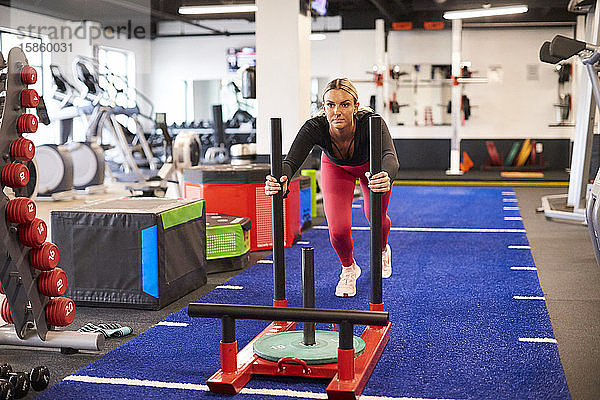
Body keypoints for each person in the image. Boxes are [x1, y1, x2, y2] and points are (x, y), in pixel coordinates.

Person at [265, 78, 399, 297]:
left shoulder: (371, 122)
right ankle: (349, 269)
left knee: (375, 217)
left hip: (371, 168)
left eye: (344, 104)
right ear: (324, 106)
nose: (337, 111)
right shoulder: (315, 126)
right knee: (337, 230)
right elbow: (290, 163)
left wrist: (386, 175)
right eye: (330, 105)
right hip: (336, 169)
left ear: (356, 106)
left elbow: (389, 155)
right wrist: (280, 178)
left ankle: (383, 249)